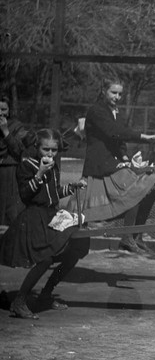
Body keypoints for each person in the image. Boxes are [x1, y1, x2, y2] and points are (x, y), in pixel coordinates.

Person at [0, 128, 90, 319]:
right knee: (45, 259)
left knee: (78, 246)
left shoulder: (52, 165)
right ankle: (19, 302)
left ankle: (46, 294)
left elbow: (54, 192)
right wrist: (39, 173)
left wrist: (73, 187)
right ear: (36, 147)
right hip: (34, 217)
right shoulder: (28, 164)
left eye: (54, 150)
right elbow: (26, 195)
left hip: (51, 215)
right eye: (46, 150)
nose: (50, 154)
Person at [76, 77, 155, 254]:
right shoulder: (97, 111)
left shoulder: (115, 111)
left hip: (114, 161)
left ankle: (136, 236)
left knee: (150, 193)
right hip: (100, 163)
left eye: (120, 94)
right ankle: (127, 238)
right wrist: (144, 137)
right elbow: (114, 132)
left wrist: (125, 157)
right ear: (104, 91)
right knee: (135, 190)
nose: (117, 97)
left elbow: (119, 138)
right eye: (113, 92)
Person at [0, 94, 33, 226]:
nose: (0, 113)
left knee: (8, 208)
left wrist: (5, 131)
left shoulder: (16, 126)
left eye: (3, 109)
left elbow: (19, 150)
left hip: (9, 172)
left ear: (9, 110)